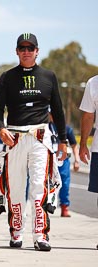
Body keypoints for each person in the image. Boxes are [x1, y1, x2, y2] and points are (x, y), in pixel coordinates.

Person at [0, 33, 67, 252]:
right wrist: (1, 128)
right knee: (15, 188)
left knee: (38, 186)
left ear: (37, 51)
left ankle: (40, 235)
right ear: (16, 51)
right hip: (14, 138)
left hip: (40, 138)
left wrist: (63, 140)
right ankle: (16, 231)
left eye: (30, 48)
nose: (26, 51)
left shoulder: (49, 76)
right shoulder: (7, 77)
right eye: (22, 48)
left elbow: (59, 111)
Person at [79, 74, 98, 250]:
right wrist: (83, 143)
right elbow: (87, 116)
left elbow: (87, 117)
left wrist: (83, 144)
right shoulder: (94, 83)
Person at [48, 113, 80, 217]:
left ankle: (64, 207)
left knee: (64, 184)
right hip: (49, 159)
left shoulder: (67, 129)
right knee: (46, 183)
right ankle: (45, 206)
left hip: (63, 160)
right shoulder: (46, 128)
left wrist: (77, 160)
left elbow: (74, 145)